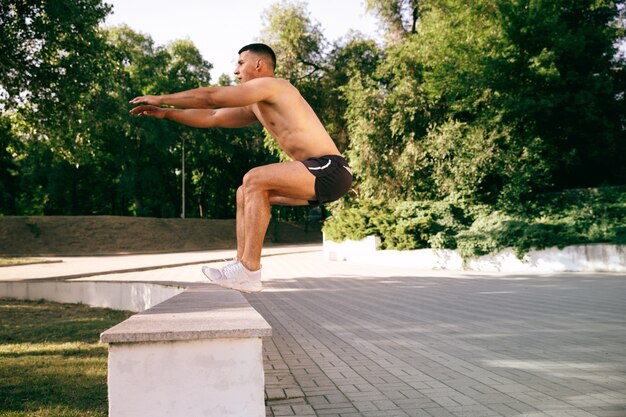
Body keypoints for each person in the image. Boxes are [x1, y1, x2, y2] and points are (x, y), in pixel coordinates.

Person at [129, 43, 352, 293]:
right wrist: (166, 113)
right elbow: (213, 117)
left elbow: (211, 97)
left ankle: (250, 269)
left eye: (240, 63)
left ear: (258, 65)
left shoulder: (276, 86)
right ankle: (240, 268)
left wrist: (161, 97)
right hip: (316, 173)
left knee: (254, 178)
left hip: (331, 169)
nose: (236, 71)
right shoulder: (256, 105)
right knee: (245, 192)